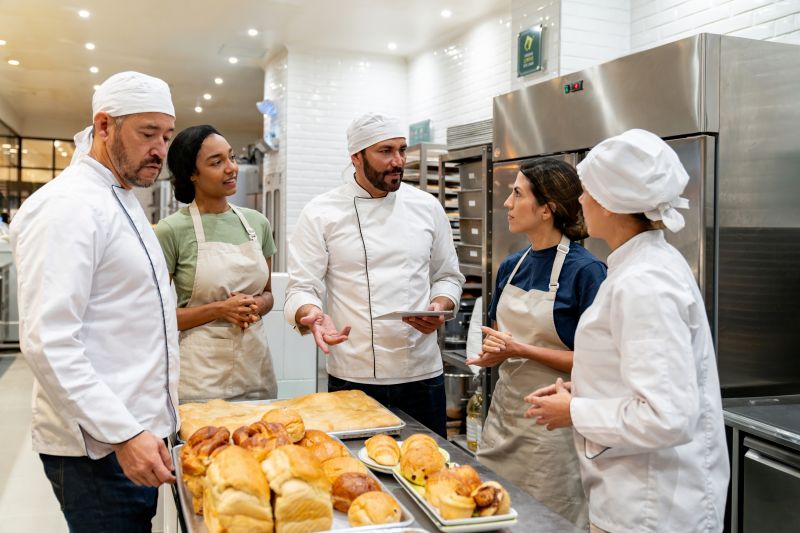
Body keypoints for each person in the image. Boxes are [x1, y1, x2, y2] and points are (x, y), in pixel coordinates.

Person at [525, 129, 729, 533]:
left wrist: (575, 411)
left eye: (586, 190)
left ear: (612, 203)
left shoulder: (645, 282)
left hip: (650, 510)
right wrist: (581, 389)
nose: (580, 200)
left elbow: (667, 417)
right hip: (631, 497)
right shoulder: (638, 267)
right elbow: (640, 378)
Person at [10, 71, 179, 531]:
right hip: (99, 448)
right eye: (148, 134)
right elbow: (49, 341)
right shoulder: (69, 206)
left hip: (135, 432)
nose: (160, 149)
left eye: (166, 135)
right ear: (104, 126)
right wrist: (123, 432)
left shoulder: (120, 199)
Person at [285, 112, 465, 437]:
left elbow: (448, 276)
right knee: (356, 478)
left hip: (421, 374)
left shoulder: (427, 206)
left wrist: (440, 305)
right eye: (385, 151)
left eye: (402, 150)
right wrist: (310, 313)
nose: (398, 161)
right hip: (353, 376)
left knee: (431, 468)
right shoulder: (321, 212)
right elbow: (302, 287)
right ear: (356, 156)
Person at [466, 158, 606, 526]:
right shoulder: (511, 265)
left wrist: (519, 350)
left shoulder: (586, 272)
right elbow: (504, 340)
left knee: (548, 522)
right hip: (504, 420)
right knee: (493, 514)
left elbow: (596, 363)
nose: (508, 204)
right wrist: (492, 356)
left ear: (547, 208)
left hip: (552, 431)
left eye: (517, 194)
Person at [155, 125, 277, 401]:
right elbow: (158, 317)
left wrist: (257, 305)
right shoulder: (171, 230)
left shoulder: (257, 223)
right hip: (200, 379)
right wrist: (221, 309)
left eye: (231, 157)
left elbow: (269, 294)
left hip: (255, 369)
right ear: (192, 174)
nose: (231, 168)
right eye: (216, 162)